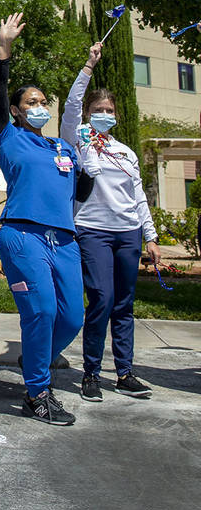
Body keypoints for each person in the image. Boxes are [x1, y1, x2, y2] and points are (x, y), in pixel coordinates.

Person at [0, 13, 85, 426]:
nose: (41, 107)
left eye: (45, 102)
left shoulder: (62, 147)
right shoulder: (8, 136)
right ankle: (38, 393)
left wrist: (91, 164)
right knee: (43, 312)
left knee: (72, 317)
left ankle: (35, 360)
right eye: (32, 102)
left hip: (65, 238)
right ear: (16, 110)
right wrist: (4, 49)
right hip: (22, 236)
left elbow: (80, 192)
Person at [60, 41, 160, 401]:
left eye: (109, 110)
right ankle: (91, 372)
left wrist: (150, 237)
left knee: (124, 304)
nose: (105, 114)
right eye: (98, 109)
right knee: (101, 298)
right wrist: (88, 66)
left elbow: (138, 197)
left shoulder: (126, 152)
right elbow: (71, 109)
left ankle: (126, 372)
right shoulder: (80, 143)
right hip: (93, 232)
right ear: (90, 113)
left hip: (128, 233)